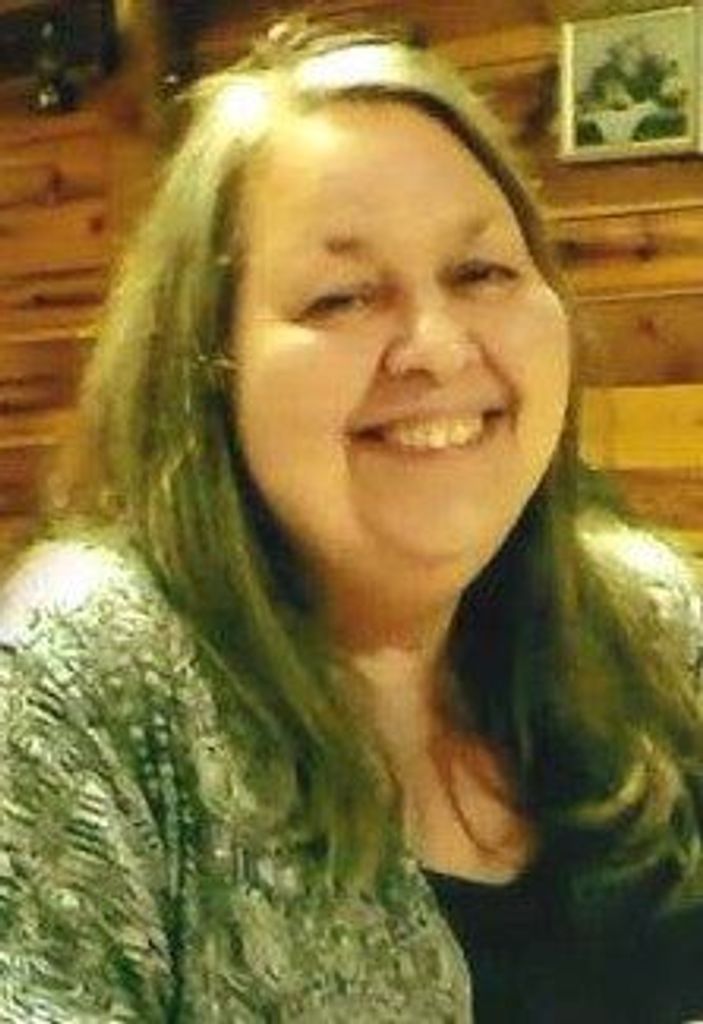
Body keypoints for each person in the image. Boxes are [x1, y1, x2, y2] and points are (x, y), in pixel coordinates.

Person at [1, 14, 702, 1022]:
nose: (438, 347)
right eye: (341, 297)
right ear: (206, 367)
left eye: (481, 273)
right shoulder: (82, 674)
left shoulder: (652, 621)